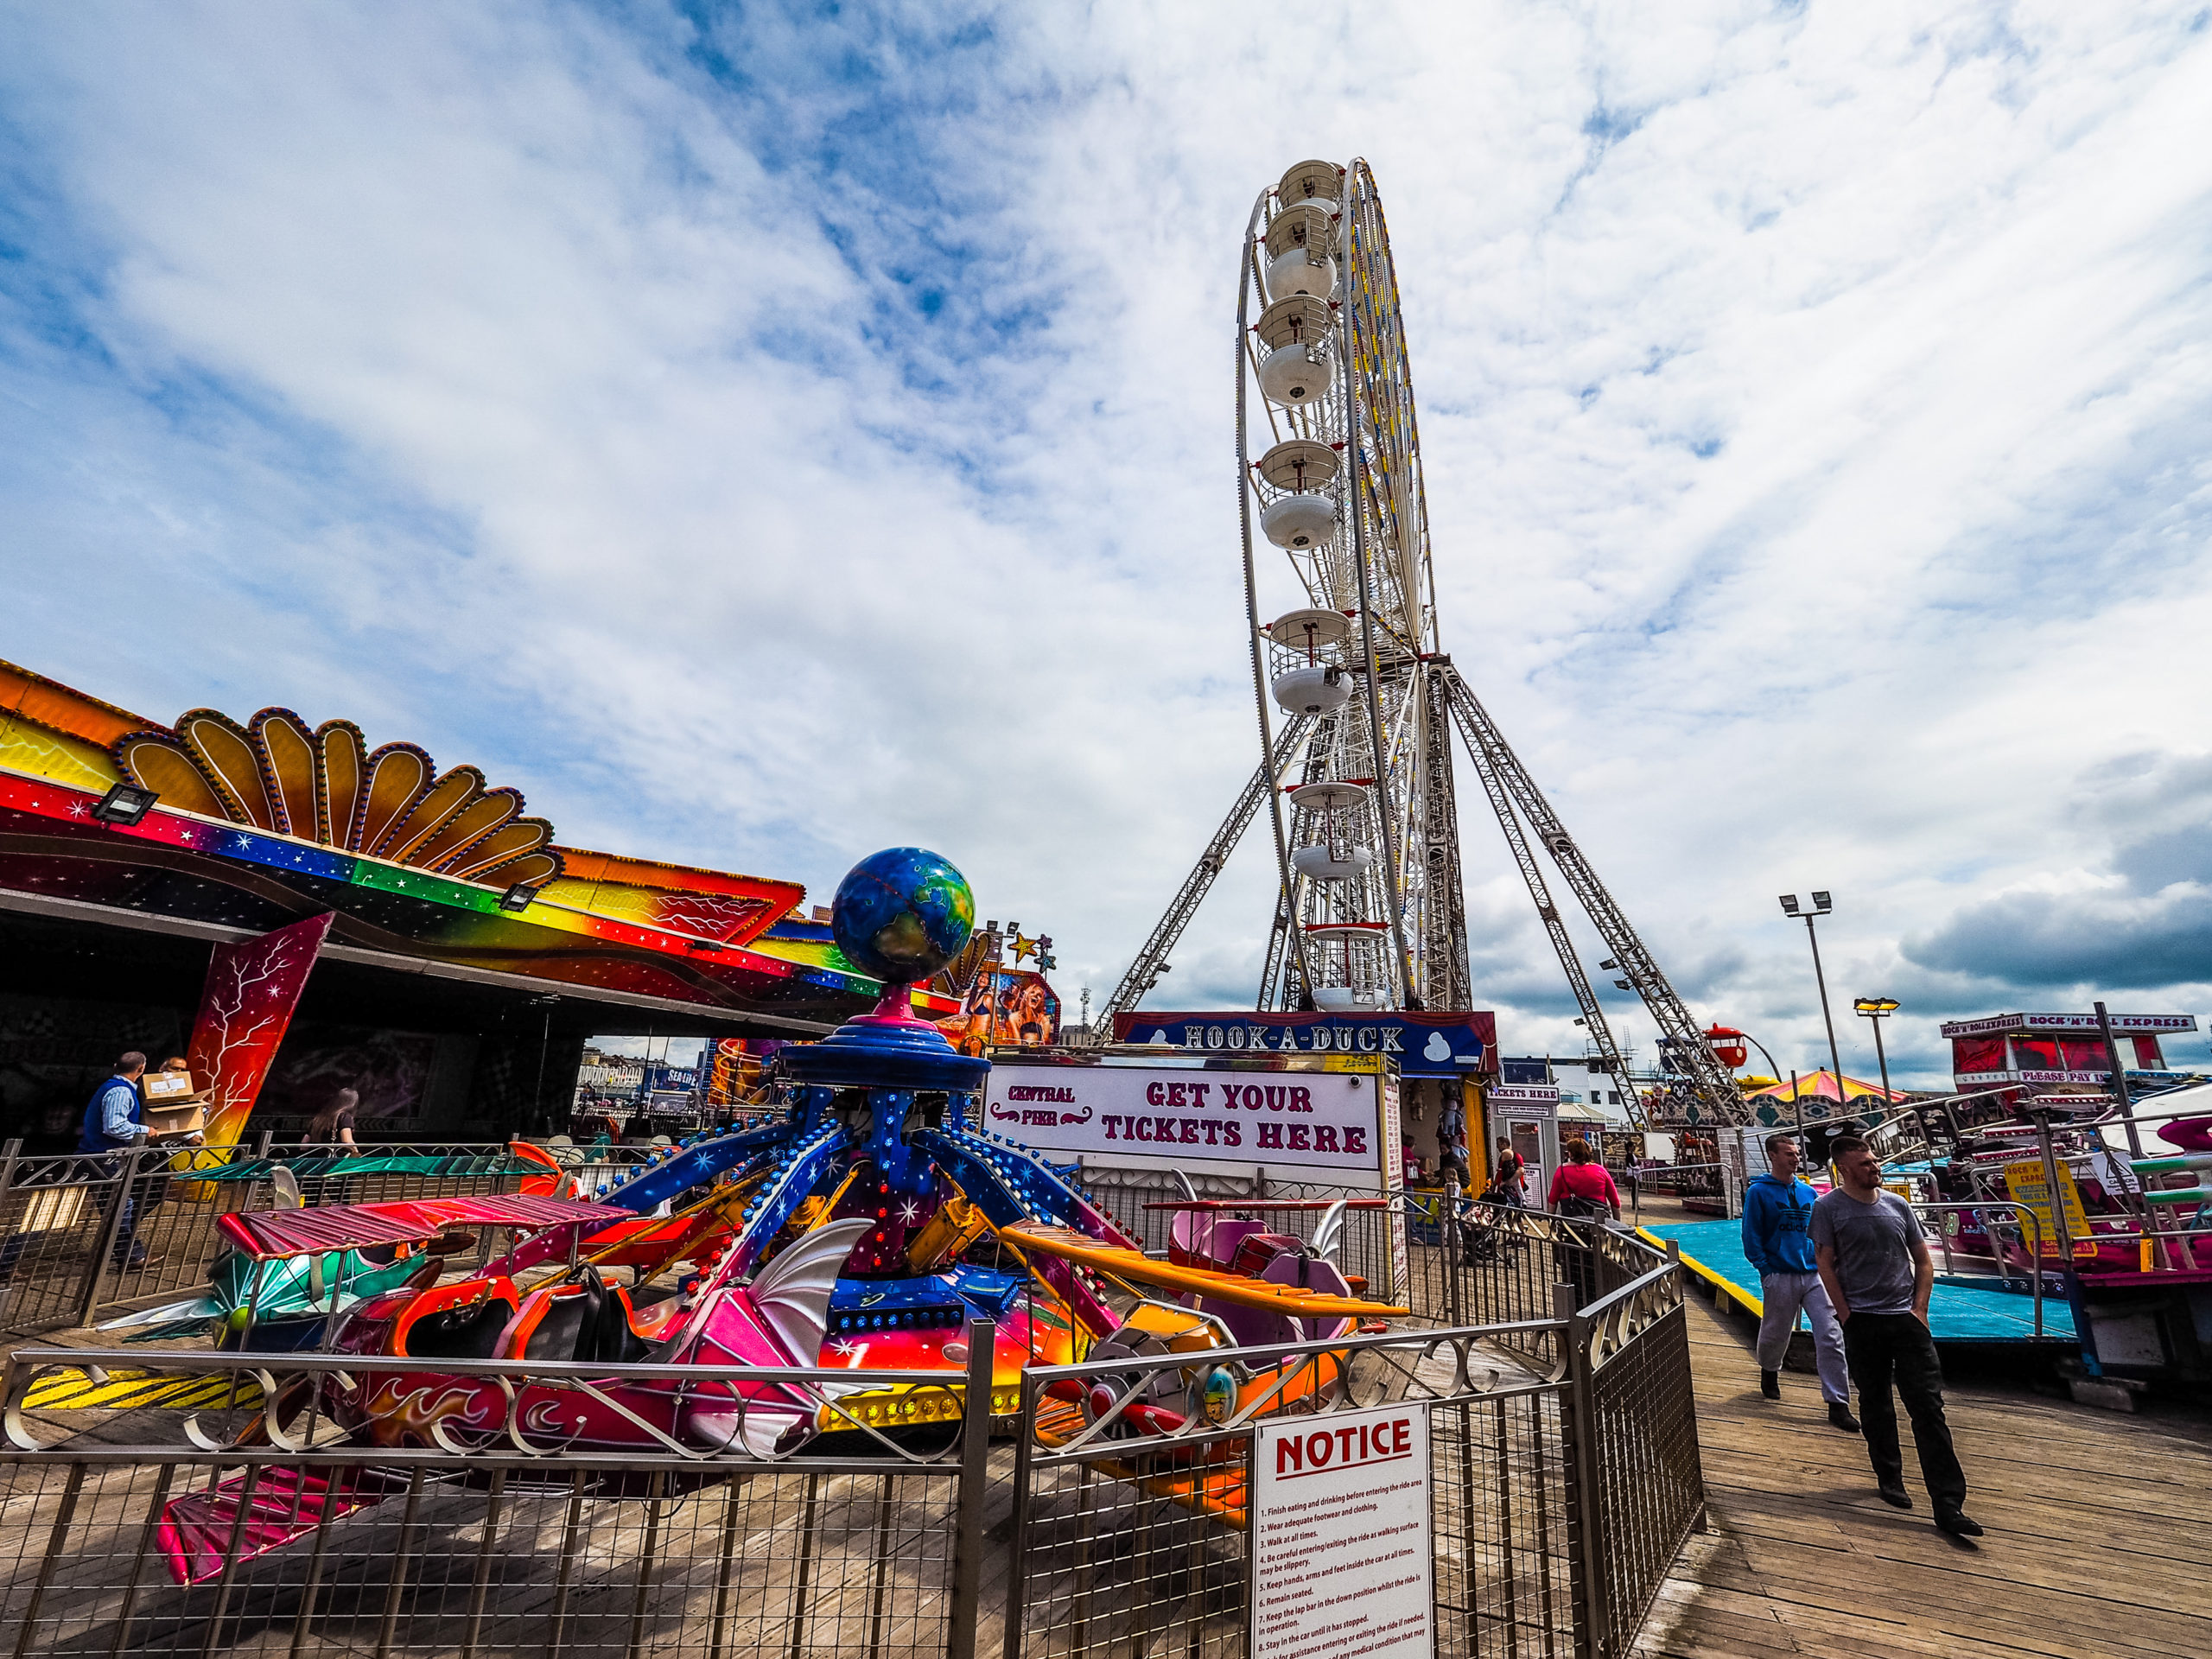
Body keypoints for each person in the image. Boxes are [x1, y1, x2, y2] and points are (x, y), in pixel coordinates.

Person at [1813, 1135, 1980, 1538]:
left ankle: (1948, 1504)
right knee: (1876, 1402)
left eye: (1875, 1161)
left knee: (1928, 1407)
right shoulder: (1827, 1208)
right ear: (1845, 1169)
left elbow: (1923, 1259)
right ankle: (1889, 1476)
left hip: (1907, 1321)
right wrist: (1847, 1313)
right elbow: (1825, 1262)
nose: (1875, 1167)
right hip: (1863, 1321)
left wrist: (1919, 1310)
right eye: (1865, 1163)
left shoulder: (1897, 1205)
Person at [1742, 1132, 1858, 1431]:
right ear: (1774, 1156)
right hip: (1780, 1272)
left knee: (1830, 1333)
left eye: (1797, 1153)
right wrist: (1765, 1268)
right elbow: (1751, 1234)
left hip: (1814, 1273)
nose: (1796, 1158)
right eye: (1789, 1154)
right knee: (1775, 1331)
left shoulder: (1808, 1193)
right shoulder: (1759, 1193)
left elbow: (1822, 1230)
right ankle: (1769, 1369)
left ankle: (1837, 1402)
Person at [76, 1052, 163, 1273]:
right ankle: (131, 1256)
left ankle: (131, 1256)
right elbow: (114, 1126)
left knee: (119, 1209)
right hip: (103, 1158)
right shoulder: (120, 1091)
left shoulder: (112, 1086)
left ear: (115, 1065)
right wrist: (146, 1130)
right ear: (141, 1069)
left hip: (96, 1156)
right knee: (119, 1208)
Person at [1547, 1139, 1621, 1220]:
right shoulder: (1600, 1170)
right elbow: (1615, 1202)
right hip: (1599, 1222)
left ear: (1570, 1154)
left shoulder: (1561, 1171)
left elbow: (1553, 1200)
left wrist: (1551, 1221)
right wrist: (1617, 1225)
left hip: (1572, 1221)